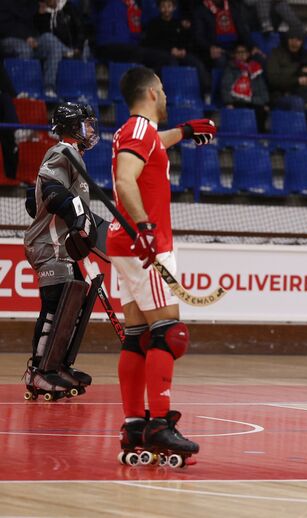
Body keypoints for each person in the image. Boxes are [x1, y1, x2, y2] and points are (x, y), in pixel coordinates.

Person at [108, 66, 216, 465]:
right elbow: (125, 179)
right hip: (146, 243)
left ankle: (135, 425)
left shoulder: (136, 131)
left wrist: (184, 132)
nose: (167, 96)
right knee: (169, 333)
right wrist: (146, 227)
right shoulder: (139, 131)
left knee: (137, 335)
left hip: (127, 243)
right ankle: (158, 424)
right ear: (152, 93)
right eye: (164, 90)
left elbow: (152, 145)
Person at [22, 102, 100, 400]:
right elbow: (53, 193)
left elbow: (36, 201)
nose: (91, 130)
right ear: (72, 127)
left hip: (62, 244)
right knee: (54, 306)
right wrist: (75, 213)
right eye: (86, 124)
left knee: (73, 304)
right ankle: (39, 370)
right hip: (49, 244)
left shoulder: (74, 155)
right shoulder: (62, 152)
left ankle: (58, 364)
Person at [0, 0, 69, 98]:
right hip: (9, 38)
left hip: (32, 39)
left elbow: (39, 26)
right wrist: (25, 37)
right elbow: (4, 26)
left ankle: (49, 88)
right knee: (25, 50)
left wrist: (43, 13)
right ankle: (23, 90)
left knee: (51, 43)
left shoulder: (33, 3)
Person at [142, 0, 211, 96]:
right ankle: (171, 95)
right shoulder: (154, 24)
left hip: (180, 54)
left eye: (169, 6)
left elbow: (186, 40)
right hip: (164, 55)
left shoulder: (178, 24)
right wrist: (170, 50)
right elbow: (152, 43)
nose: (166, 9)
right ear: (159, 8)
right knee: (172, 63)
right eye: (163, 6)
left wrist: (183, 50)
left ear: (174, 8)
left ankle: (206, 92)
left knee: (196, 62)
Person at [266, 28, 307, 134]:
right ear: (286, 39)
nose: (295, 43)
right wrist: (297, 80)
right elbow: (273, 80)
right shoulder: (275, 54)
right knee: (297, 102)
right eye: (292, 39)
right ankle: (296, 137)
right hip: (280, 95)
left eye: (298, 40)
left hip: (306, 94)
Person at [92, 0, 176, 70]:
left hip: (132, 45)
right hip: (109, 43)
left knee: (164, 58)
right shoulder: (108, 2)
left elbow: (146, 22)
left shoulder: (135, 4)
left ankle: (154, 84)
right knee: (137, 55)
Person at [221, 43, 270, 132]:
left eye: (243, 52)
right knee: (241, 109)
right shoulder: (231, 68)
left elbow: (261, 88)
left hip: (253, 100)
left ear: (248, 54)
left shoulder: (255, 68)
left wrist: (265, 102)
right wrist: (228, 102)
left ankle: (259, 136)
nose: (241, 55)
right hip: (236, 101)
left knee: (260, 109)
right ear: (234, 55)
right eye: (238, 52)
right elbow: (225, 87)